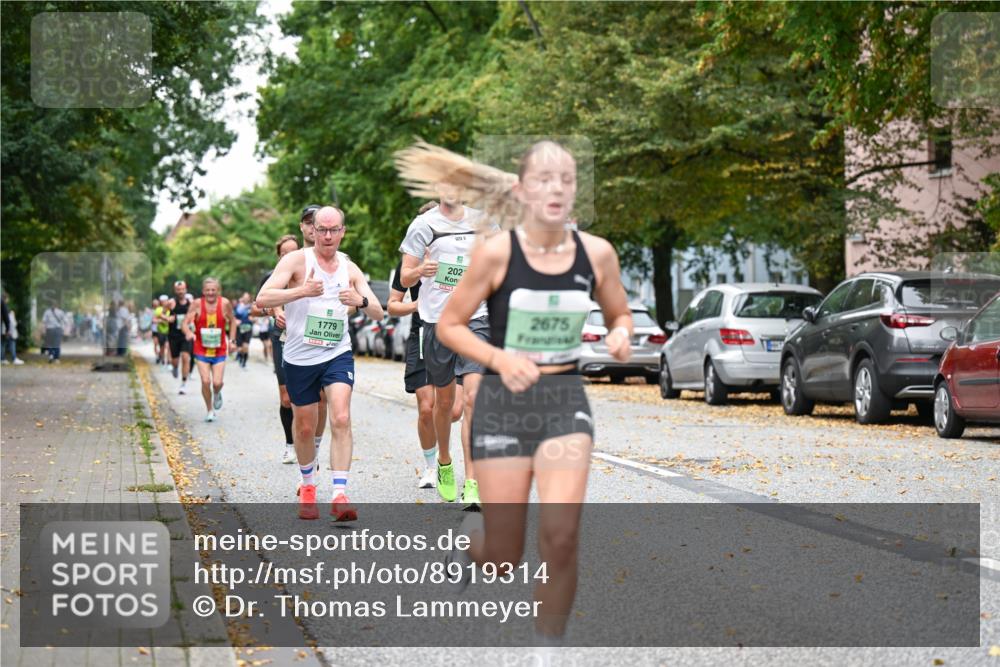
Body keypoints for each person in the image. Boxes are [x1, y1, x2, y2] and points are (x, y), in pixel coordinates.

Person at [398, 140, 633, 646]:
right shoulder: (498, 252)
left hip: (563, 406)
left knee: (561, 536)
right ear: (523, 191)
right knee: (504, 556)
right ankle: (473, 541)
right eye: (544, 181)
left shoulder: (597, 252)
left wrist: (620, 335)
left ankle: (547, 651)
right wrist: (502, 358)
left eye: (566, 180)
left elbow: (619, 312)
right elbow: (451, 325)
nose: (557, 190)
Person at [257, 206, 384, 521]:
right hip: (300, 356)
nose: (328, 236)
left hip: (337, 354)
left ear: (343, 231)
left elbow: (379, 312)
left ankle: (340, 494)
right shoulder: (296, 261)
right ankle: (308, 485)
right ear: (312, 229)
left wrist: (362, 302)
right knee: (304, 426)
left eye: (334, 229)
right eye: (322, 229)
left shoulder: (350, 268)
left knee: (341, 417)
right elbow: (262, 298)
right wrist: (301, 291)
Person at [398, 187, 497, 509]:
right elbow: (405, 277)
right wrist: (419, 271)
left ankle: (473, 482)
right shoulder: (423, 225)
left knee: (474, 399)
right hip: (436, 322)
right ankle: (443, 460)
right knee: (443, 404)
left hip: (475, 318)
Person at [388, 245, 464, 491]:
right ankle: (433, 468)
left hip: (457, 334)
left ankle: (443, 454)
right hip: (422, 335)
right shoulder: (410, 265)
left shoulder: (462, 254)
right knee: (425, 408)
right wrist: (418, 304)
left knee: (453, 411)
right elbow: (392, 306)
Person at [252, 233, 300, 465]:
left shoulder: (309, 274)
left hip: (305, 338)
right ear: (278, 257)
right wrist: (273, 311)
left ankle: (308, 441)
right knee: (286, 398)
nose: (289, 256)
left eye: (293, 252)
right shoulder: (271, 278)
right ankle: (290, 444)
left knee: (309, 397)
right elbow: (257, 306)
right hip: (281, 337)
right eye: (284, 254)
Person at [183, 277, 238, 422]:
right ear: (203, 291)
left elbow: (233, 322)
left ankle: (217, 393)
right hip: (201, 349)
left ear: (218, 291)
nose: (211, 293)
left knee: (217, 383)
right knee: (206, 381)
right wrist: (188, 332)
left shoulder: (224, 303)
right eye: (208, 290)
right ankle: (209, 410)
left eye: (213, 290)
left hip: (219, 349)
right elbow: (185, 322)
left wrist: (232, 341)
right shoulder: (196, 304)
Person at [167, 281, 193, 393]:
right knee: (175, 360)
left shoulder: (190, 302)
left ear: (185, 289)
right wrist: (167, 318)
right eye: (178, 290)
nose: (180, 291)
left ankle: (183, 383)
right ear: (175, 290)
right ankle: (174, 367)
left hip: (186, 335)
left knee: (186, 357)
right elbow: (161, 314)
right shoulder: (171, 303)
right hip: (174, 335)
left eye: (182, 289)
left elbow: (196, 314)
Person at [234, 292, 253, 369]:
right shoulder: (238, 306)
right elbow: (233, 316)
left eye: (247, 297)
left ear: (249, 298)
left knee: (246, 347)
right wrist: (236, 321)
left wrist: (254, 319)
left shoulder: (251, 307)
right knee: (239, 348)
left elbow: (256, 316)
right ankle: (240, 357)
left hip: (248, 328)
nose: (245, 298)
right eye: (244, 297)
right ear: (242, 297)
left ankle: (244, 363)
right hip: (239, 328)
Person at [153, 295, 172, 365]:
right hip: (161, 331)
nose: (165, 302)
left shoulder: (171, 309)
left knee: (168, 345)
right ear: (161, 302)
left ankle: (169, 360)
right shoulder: (158, 310)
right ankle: (161, 356)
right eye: (163, 301)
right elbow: (154, 320)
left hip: (169, 331)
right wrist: (161, 321)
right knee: (162, 346)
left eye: (166, 301)